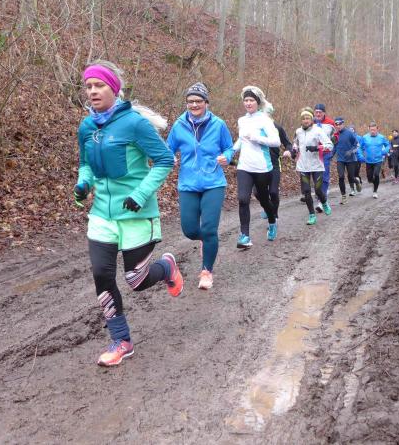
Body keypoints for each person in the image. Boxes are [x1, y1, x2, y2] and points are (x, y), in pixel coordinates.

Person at [74, 60, 182, 367]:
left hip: (136, 214)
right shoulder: (86, 127)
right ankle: (121, 340)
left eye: (99, 85)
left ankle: (167, 267)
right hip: (101, 215)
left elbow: (164, 160)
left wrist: (140, 193)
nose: (93, 91)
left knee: (136, 279)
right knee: (101, 275)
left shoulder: (134, 124)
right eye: (88, 86)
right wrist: (84, 183)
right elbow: (85, 163)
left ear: (114, 89)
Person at [167, 82, 233, 290]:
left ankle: (206, 272)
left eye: (198, 101)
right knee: (189, 230)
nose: (194, 105)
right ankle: (207, 239)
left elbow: (229, 147)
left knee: (209, 228)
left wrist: (227, 157)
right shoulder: (179, 125)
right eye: (190, 101)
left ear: (206, 102)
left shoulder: (218, 124)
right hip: (188, 183)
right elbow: (168, 148)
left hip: (213, 182)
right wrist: (170, 158)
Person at [232, 86, 280, 248]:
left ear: (257, 102)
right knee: (243, 199)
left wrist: (257, 138)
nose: (248, 103)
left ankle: (272, 221)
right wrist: (231, 152)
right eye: (245, 100)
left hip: (262, 167)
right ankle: (245, 236)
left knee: (264, 199)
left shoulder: (265, 120)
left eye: (251, 100)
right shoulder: (242, 120)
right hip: (244, 166)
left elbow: (276, 142)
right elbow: (241, 140)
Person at [293, 108, 333, 224]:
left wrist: (317, 148)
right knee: (306, 191)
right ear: (301, 120)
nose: (306, 121)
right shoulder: (298, 131)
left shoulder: (318, 131)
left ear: (312, 120)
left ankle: (324, 202)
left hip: (316, 165)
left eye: (308, 118)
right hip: (303, 166)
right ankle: (312, 215)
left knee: (318, 189)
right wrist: (294, 150)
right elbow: (295, 143)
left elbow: (330, 145)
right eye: (303, 119)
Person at [259, 103, 293, 220]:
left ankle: (274, 216)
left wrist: (288, 150)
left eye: (267, 114)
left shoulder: (277, 127)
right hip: (259, 165)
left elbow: (288, 144)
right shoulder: (255, 127)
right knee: (258, 193)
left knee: (273, 192)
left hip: (274, 164)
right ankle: (267, 207)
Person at [313, 104, 337, 210]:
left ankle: (321, 201)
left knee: (324, 175)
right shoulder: (310, 122)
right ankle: (320, 194)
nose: (318, 114)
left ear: (324, 113)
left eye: (320, 112)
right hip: (313, 153)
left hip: (326, 152)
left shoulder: (330, 123)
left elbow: (336, 135)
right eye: (316, 112)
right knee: (316, 176)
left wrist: (332, 142)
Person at [333, 117, 360, 203]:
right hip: (340, 159)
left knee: (351, 177)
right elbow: (334, 147)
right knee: (341, 177)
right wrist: (330, 156)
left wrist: (351, 151)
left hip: (350, 159)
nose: (338, 126)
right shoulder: (335, 135)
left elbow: (357, 145)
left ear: (343, 124)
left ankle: (356, 181)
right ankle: (344, 196)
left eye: (340, 124)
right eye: (336, 124)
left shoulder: (349, 133)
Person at [361, 122, 390, 198]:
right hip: (368, 161)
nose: (372, 131)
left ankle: (375, 191)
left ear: (377, 129)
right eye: (371, 130)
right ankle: (373, 183)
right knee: (369, 178)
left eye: (374, 130)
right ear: (368, 129)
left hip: (378, 160)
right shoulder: (364, 137)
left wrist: (385, 151)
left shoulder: (382, 137)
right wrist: (361, 155)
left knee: (376, 174)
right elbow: (360, 147)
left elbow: (388, 145)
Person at [350, 125, 364, 193]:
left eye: (352, 129)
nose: (351, 131)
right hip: (350, 159)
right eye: (349, 129)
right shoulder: (347, 138)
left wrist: (362, 156)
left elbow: (361, 147)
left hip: (358, 158)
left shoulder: (359, 138)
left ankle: (359, 183)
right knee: (350, 174)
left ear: (354, 130)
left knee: (356, 173)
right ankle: (352, 189)